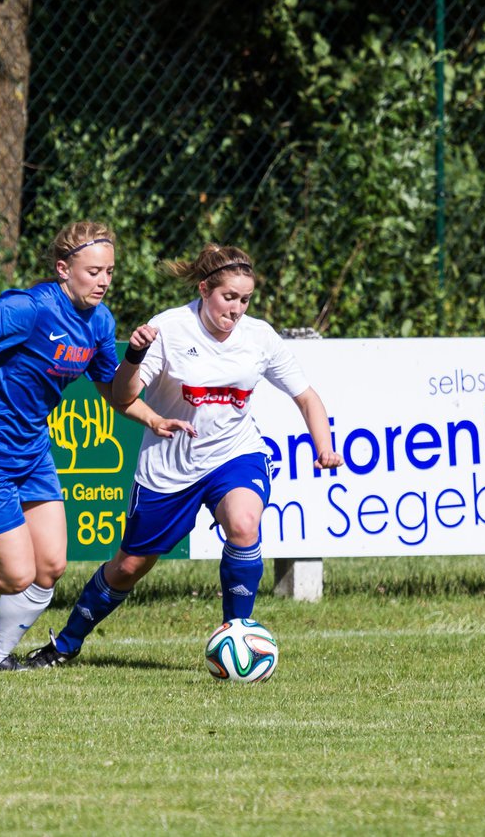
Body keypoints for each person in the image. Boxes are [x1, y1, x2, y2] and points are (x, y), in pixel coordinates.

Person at [0, 221, 191, 671]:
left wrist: (153, 417)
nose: (103, 281)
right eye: (93, 271)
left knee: (50, 567)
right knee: (15, 574)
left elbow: (112, 390)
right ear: (64, 269)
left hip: (32, 453)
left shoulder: (99, 323)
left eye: (110, 272)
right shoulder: (31, 307)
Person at [24, 243, 343, 669]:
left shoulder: (259, 337)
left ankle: (238, 637)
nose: (237, 310)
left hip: (235, 453)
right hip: (170, 467)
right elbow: (122, 396)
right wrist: (134, 355)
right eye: (229, 298)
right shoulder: (170, 329)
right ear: (204, 289)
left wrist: (324, 446)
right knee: (130, 565)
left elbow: (307, 398)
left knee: (245, 523)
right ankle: (65, 644)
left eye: (245, 300)